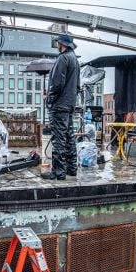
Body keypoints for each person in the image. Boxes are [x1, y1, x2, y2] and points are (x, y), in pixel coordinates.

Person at [41, 35, 80, 180]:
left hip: (60, 105)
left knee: (59, 139)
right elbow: (76, 85)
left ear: (61, 44)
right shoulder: (75, 59)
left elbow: (57, 83)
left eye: (58, 42)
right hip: (70, 104)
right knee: (69, 137)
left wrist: (49, 99)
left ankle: (58, 172)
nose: (57, 44)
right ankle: (72, 169)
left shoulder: (63, 58)